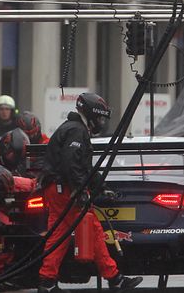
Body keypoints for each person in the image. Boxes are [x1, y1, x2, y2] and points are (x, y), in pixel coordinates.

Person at [37, 93, 141, 293]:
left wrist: (100, 187)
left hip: (57, 189)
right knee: (93, 229)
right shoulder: (77, 131)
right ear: (92, 115)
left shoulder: (72, 128)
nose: (101, 123)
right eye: (100, 118)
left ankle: (47, 281)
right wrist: (79, 190)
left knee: (59, 235)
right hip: (65, 190)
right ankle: (114, 278)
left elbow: (84, 167)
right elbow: (72, 164)